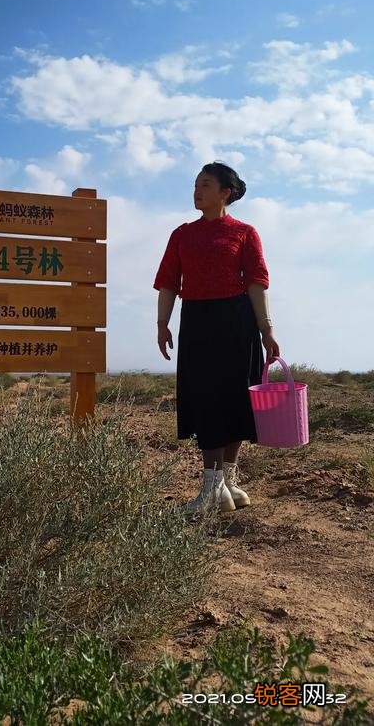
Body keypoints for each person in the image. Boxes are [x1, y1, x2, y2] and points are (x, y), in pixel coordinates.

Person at [153, 161, 280, 513]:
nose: (197, 191)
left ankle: (226, 484)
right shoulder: (182, 235)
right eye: (196, 185)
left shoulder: (245, 233)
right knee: (205, 398)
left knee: (236, 399)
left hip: (238, 323)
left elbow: (256, 283)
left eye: (205, 185)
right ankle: (213, 487)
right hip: (198, 322)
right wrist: (162, 323)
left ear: (226, 193)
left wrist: (267, 329)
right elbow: (168, 282)